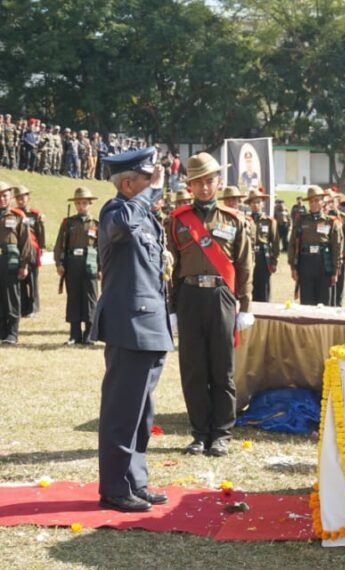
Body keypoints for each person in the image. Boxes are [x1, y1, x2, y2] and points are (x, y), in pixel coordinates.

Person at [92, 147, 173, 512]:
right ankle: (114, 486)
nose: (155, 184)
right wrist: (149, 194)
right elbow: (124, 224)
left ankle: (134, 481)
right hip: (129, 323)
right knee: (122, 410)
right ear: (128, 183)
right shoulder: (116, 210)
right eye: (146, 179)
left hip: (150, 322)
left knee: (142, 412)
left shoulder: (141, 214)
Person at [167, 153, 254, 458]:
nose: (204, 187)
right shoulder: (177, 221)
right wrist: (173, 308)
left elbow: (244, 266)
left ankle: (221, 433)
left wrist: (244, 306)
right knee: (192, 369)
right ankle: (199, 433)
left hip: (222, 297)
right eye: (197, 182)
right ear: (189, 185)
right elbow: (171, 268)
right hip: (190, 296)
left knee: (222, 369)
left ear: (219, 182)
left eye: (209, 181)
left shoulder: (235, 220)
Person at [55, 187, 101, 345]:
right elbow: (59, 244)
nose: (81, 206)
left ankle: (89, 334)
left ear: (90, 204)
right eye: (78, 203)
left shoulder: (96, 224)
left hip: (90, 264)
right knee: (73, 297)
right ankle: (74, 334)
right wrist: (59, 263)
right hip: (73, 263)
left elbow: (101, 248)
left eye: (84, 203)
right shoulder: (68, 223)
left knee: (90, 298)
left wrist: (101, 268)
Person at [289, 185, 343, 305]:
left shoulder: (331, 221)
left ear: (322, 201)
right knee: (307, 301)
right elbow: (292, 244)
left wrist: (335, 270)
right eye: (311, 201)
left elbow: (337, 247)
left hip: (324, 263)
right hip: (306, 263)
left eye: (317, 200)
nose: (314, 204)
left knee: (324, 301)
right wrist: (293, 267)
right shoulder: (301, 220)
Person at [0, 183, 34, 344]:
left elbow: (26, 242)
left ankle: (12, 333)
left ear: (10, 198)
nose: (2, 199)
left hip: (11, 262)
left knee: (11, 296)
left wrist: (24, 265)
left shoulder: (17, 216)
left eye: (5, 195)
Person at [13, 186, 45, 317]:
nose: (21, 200)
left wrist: (41, 247)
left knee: (32, 280)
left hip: (32, 249)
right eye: (18, 198)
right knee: (20, 279)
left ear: (28, 198)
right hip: (19, 250)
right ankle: (23, 307)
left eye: (23, 197)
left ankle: (33, 307)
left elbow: (40, 232)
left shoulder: (34, 214)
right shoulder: (13, 214)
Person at [246, 189, 278, 303]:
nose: (256, 205)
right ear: (249, 204)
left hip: (263, 258)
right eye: (253, 202)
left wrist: (274, 261)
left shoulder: (269, 221)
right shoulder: (245, 220)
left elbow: (275, 243)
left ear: (263, 204)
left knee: (264, 288)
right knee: (249, 286)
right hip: (249, 257)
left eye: (258, 202)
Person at [325, 189, 345, 306]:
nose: (330, 204)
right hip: (325, 256)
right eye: (327, 201)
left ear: (337, 202)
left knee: (339, 283)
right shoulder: (323, 218)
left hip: (339, 256)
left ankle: (338, 304)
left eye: (332, 201)